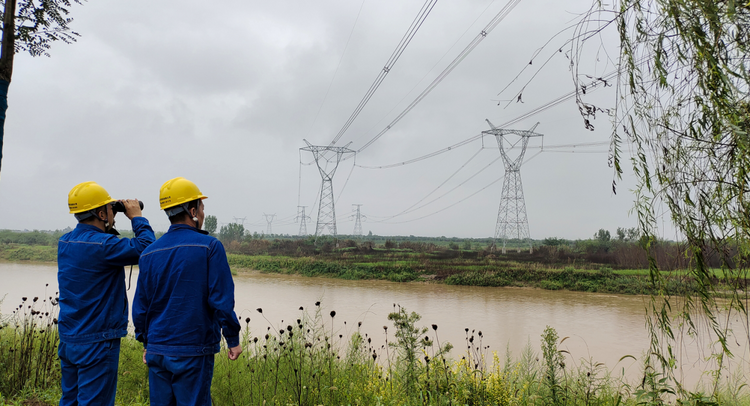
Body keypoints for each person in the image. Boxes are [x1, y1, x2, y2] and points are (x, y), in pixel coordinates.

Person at [132, 177, 242, 406]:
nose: (203, 213)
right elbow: (221, 299)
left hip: (158, 351)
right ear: (192, 211)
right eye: (202, 208)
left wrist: (146, 343)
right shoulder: (210, 247)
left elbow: (141, 308)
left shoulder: (149, 253)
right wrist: (232, 337)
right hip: (192, 351)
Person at [58, 181, 155, 406]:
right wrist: (137, 217)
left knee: (70, 401)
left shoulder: (65, 242)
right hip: (97, 342)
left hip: (69, 339)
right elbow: (147, 249)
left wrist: (108, 220)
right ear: (101, 213)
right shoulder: (104, 246)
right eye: (110, 209)